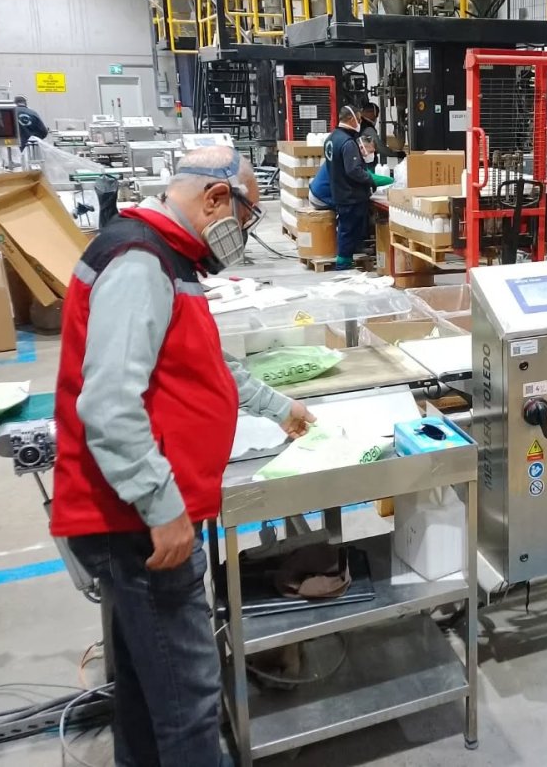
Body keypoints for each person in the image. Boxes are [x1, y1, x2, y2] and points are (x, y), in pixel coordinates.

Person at [51, 145, 314, 765]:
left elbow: (205, 364)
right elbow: (109, 403)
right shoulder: (141, 262)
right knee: (191, 703)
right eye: (245, 216)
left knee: (148, 690)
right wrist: (162, 506)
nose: (244, 233)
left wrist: (278, 406)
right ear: (216, 198)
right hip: (139, 525)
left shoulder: (167, 258)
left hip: (137, 517)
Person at [325, 106, 376, 269]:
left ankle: (345, 260)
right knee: (349, 230)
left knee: (345, 229)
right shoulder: (347, 142)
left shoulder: (331, 138)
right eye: (359, 119)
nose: (359, 123)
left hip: (339, 192)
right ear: (351, 119)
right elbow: (353, 170)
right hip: (351, 195)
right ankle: (343, 265)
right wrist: (370, 179)